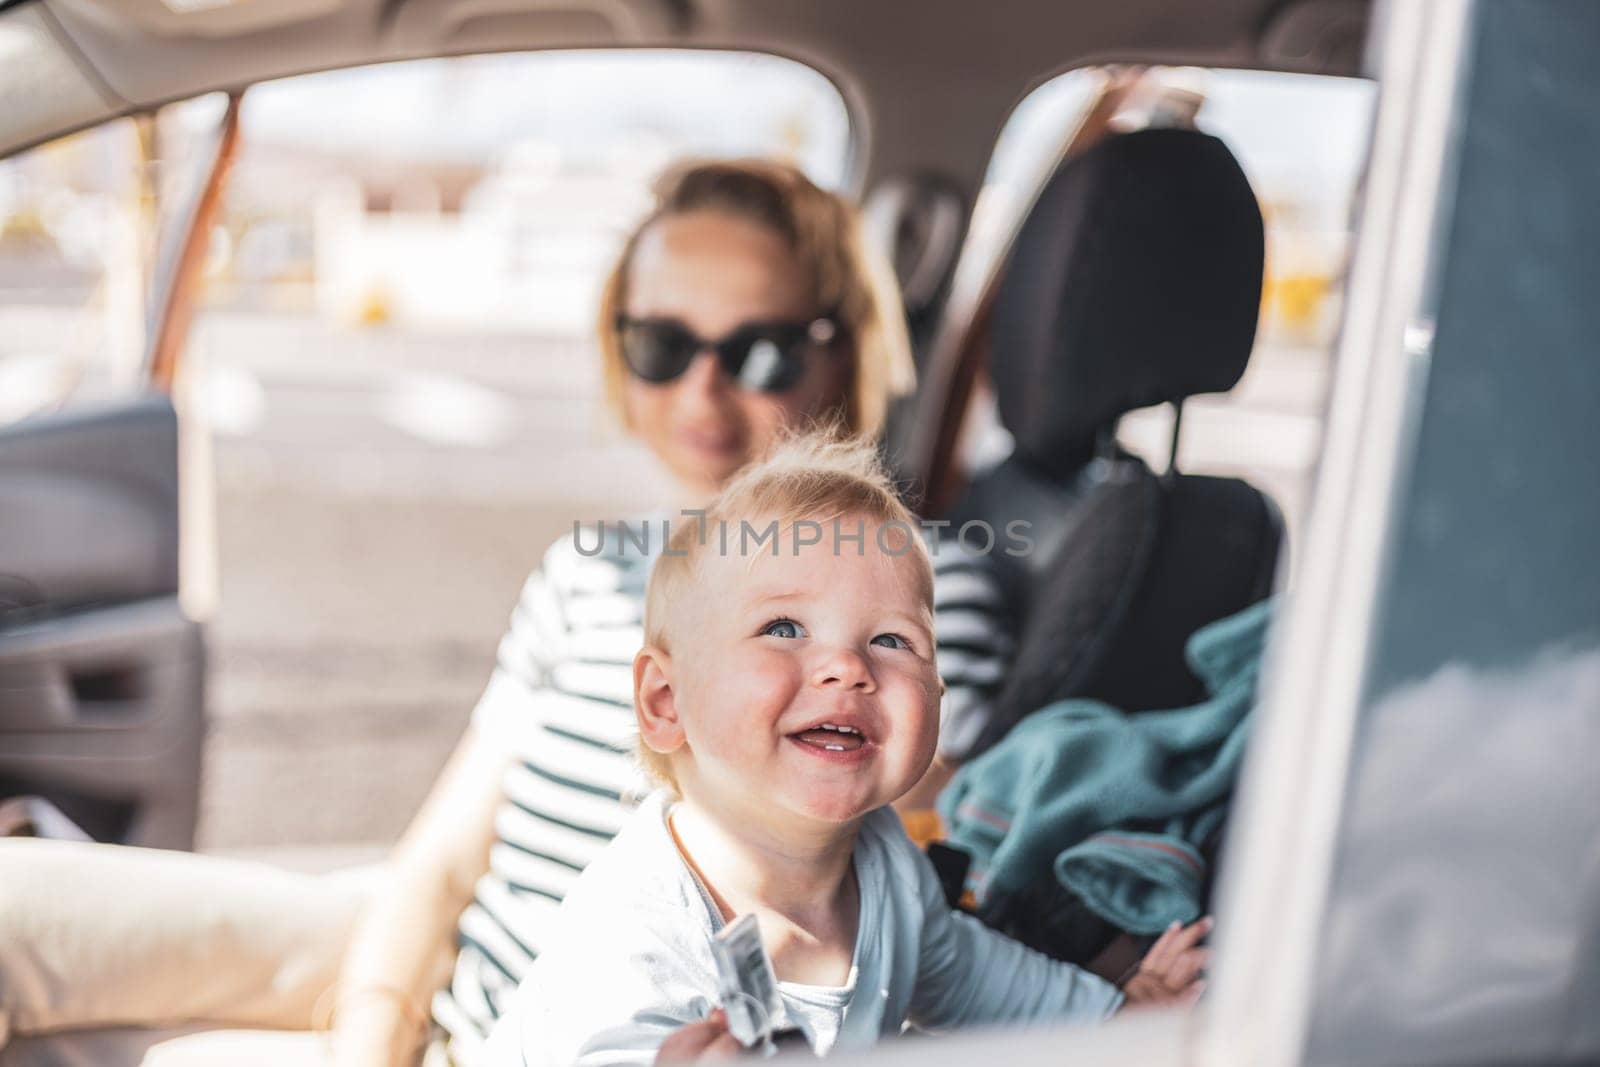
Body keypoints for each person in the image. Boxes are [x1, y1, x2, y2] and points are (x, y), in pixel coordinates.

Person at [0, 158, 1014, 1067]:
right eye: (663, 343)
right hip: (449, 976)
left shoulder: (917, 591)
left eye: (760, 352)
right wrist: (373, 1035)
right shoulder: (594, 563)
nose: (704, 387)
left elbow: (884, 909)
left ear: (847, 352)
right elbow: (440, 864)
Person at [483, 435, 1209, 1066]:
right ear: (666, 703)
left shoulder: (888, 864)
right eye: (784, 628)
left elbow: (972, 980)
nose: (848, 666)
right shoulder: (636, 937)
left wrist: (1113, 1013)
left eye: (893, 640)